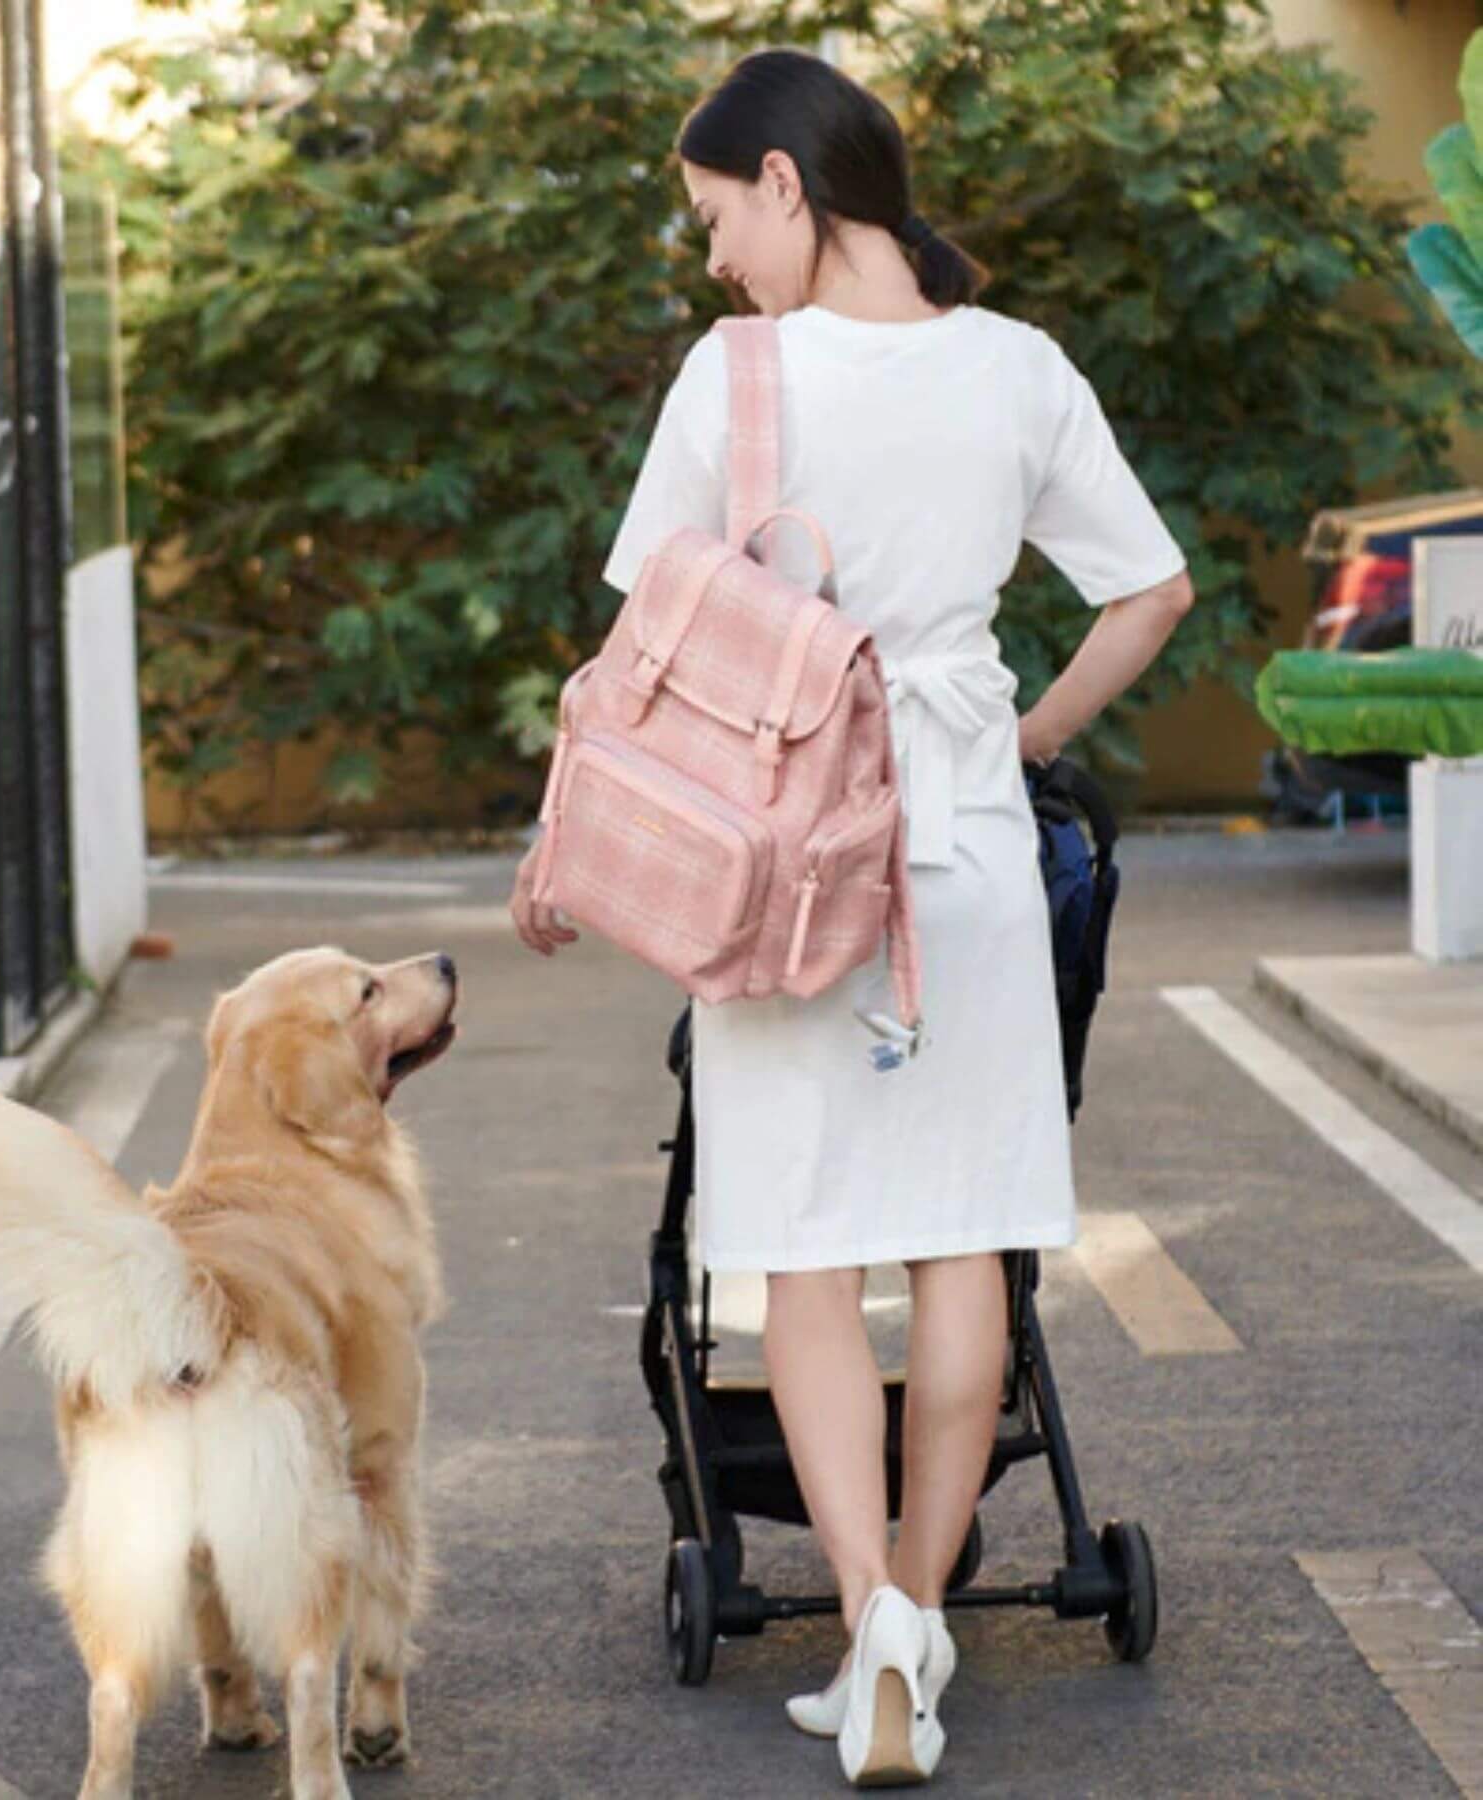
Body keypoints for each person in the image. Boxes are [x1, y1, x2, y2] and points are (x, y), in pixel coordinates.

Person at [510, 46, 1193, 1788]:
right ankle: (917, 1626)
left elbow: (646, 644)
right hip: (961, 846)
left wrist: (564, 830)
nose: (715, 257)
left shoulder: (736, 377)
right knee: (965, 1239)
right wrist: (1023, 736)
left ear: (787, 183)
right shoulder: (1019, 367)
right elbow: (1151, 589)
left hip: (786, 861)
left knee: (803, 1252)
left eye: (715, 216)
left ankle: (871, 1613)